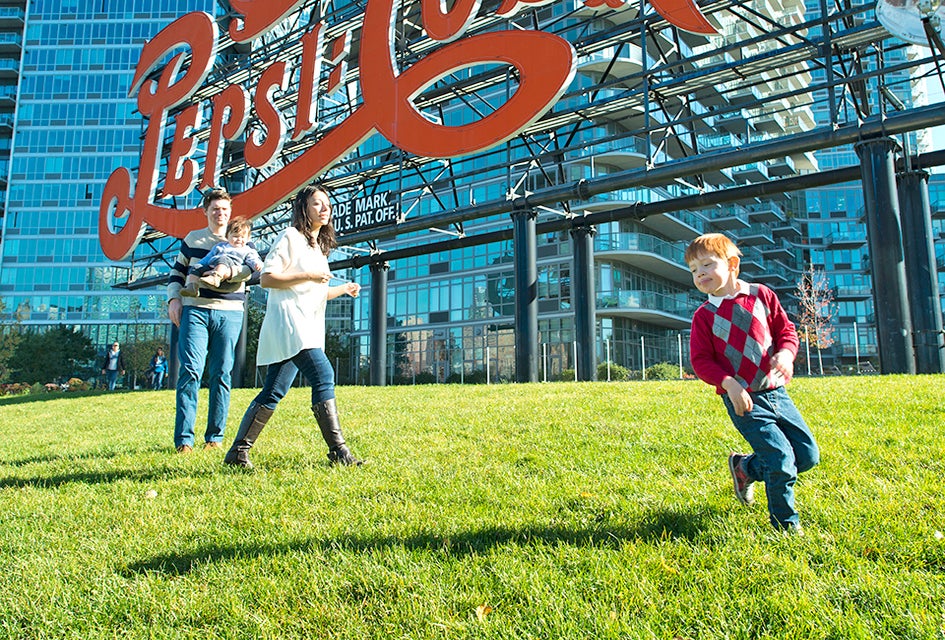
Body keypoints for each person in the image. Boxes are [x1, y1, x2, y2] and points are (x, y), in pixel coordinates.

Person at [684, 233, 819, 534]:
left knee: (807, 456)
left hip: (776, 392)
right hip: (743, 399)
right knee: (781, 458)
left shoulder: (762, 295)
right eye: (694, 269)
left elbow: (786, 332)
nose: (700, 273)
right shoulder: (704, 316)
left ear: (732, 264)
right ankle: (786, 527)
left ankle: (744, 468)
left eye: (707, 265)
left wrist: (786, 354)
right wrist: (729, 384)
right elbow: (701, 360)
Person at [225, 184, 363, 470]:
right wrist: (309, 274)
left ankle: (238, 453)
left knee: (274, 390)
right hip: (291, 322)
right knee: (324, 374)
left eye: (327, 204)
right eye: (317, 204)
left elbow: (316, 291)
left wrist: (343, 289)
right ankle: (339, 451)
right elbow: (267, 278)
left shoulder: (318, 248)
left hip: (307, 325)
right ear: (303, 209)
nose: (325, 208)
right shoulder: (290, 236)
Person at [167, 187, 250, 454]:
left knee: (222, 373)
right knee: (190, 371)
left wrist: (228, 272)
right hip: (196, 310)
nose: (220, 214)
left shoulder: (242, 240)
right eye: (215, 209)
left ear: (230, 213)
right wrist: (173, 300)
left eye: (225, 210)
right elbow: (177, 274)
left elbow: (251, 272)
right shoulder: (193, 239)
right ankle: (184, 441)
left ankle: (215, 437)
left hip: (230, 313)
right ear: (206, 212)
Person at [180, 218, 263, 298]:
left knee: (223, 258)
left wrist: (256, 264)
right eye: (235, 236)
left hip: (231, 265)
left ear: (248, 239)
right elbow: (209, 257)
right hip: (213, 264)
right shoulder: (220, 246)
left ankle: (216, 277)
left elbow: (252, 259)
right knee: (195, 267)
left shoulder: (247, 250)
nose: (239, 239)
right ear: (227, 236)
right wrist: (199, 265)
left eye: (242, 237)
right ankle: (192, 287)